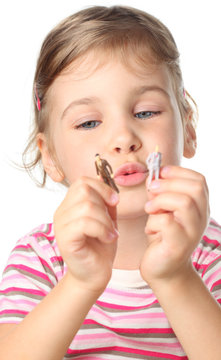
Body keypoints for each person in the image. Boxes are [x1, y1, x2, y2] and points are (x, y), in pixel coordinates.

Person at [0, 5, 221, 360]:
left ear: (189, 128)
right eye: (89, 122)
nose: (122, 138)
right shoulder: (40, 259)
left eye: (146, 112)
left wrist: (175, 276)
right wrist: (80, 282)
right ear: (50, 156)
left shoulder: (211, 255)